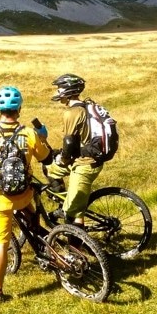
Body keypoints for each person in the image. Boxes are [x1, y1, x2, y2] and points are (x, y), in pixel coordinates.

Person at [0, 86, 53, 303]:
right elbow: (47, 159)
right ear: (20, 108)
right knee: (34, 222)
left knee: (0, 244)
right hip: (24, 194)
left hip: (0, 198)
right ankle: (46, 249)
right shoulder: (29, 133)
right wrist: (42, 138)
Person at [45, 74, 103, 226]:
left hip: (85, 164)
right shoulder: (88, 107)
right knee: (49, 169)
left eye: (60, 89)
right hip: (89, 158)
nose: (58, 92)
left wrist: (62, 159)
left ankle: (75, 249)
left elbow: (69, 143)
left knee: (73, 214)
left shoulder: (71, 113)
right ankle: (63, 203)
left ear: (68, 90)